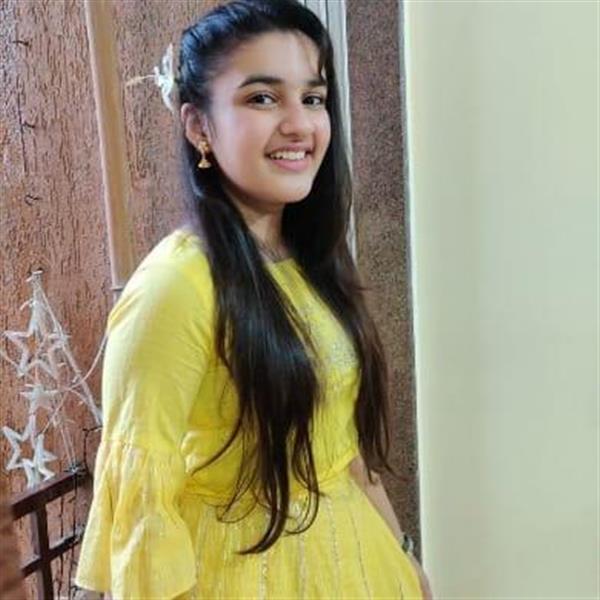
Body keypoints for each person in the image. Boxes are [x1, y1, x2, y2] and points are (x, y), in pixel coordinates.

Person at [75, 0, 432, 598]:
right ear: (199, 126)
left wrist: (407, 565)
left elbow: (343, 453)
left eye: (312, 98)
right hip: (239, 574)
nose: (299, 125)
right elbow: (138, 516)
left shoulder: (312, 260)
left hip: (360, 564)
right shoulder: (175, 287)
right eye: (263, 98)